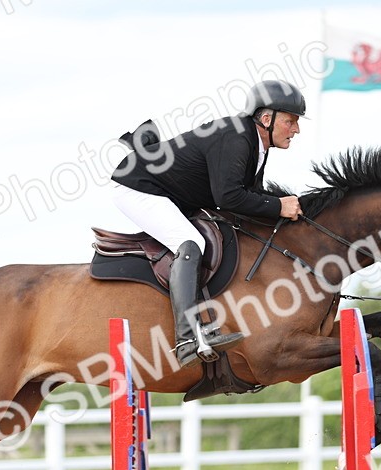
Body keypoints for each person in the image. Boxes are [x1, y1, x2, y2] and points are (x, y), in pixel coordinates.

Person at [110, 80, 306, 368]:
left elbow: (248, 198)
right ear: (267, 119)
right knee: (191, 243)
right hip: (138, 187)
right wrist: (278, 206)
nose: (296, 129)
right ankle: (187, 340)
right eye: (291, 121)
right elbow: (228, 197)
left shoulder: (257, 145)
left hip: (172, 192)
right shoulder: (237, 137)